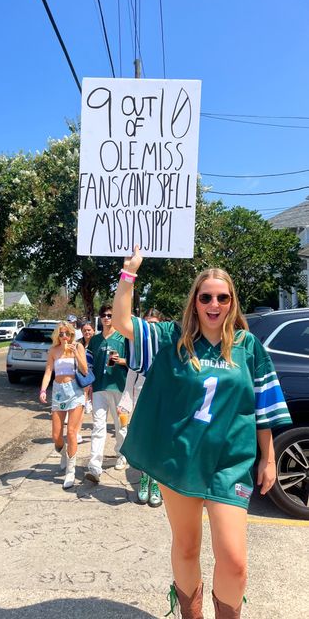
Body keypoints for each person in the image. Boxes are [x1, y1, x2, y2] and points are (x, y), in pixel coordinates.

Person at [113, 247, 292, 619]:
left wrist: (269, 458)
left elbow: (263, 407)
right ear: (195, 301)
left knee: (234, 560)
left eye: (222, 297)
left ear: (232, 302)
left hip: (231, 464)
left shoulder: (249, 347)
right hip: (181, 462)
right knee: (187, 546)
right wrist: (128, 274)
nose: (214, 304)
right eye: (206, 296)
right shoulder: (171, 339)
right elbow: (122, 323)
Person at [117, 308, 165, 508]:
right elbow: (130, 379)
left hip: (163, 405)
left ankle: (157, 485)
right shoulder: (138, 351)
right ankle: (144, 481)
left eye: (154, 324)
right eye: (147, 324)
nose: (150, 328)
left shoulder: (167, 350)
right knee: (145, 446)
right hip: (141, 404)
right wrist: (124, 404)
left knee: (160, 447)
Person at [39, 321, 88, 490]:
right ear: (57, 335)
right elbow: (48, 371)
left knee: (72, 432)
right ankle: (64, 453)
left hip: (75, 391)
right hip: (59, 391)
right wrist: (43, 390)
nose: (64, 336)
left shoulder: (77, 347)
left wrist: (76, 353)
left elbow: (85, 370)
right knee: (56, 436)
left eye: (67, 333)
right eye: (61, 334)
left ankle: (71, 471)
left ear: (72, 334)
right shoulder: (53, 350)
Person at [84, 304, 128, 482]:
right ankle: (94, 467)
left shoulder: (123, 338)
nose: (107, 318)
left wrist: (120, 360)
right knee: (98, 426)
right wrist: (86, 383)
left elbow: (134, 362)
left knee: (120, 426)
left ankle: (122, 455)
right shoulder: (94, 340)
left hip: (119, 386)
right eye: (104, 315)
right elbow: (88, 363)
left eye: (110, 315)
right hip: (99, 387)